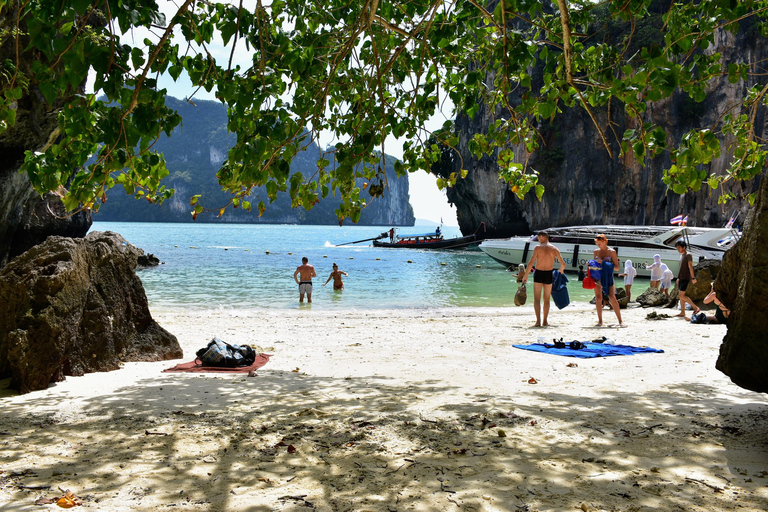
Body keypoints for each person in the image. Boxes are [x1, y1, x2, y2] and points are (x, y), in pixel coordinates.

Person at [521, 231, 566, 327]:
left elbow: (531, 262)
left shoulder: (538, 248)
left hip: (539, 273)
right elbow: (563, 264)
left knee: (537, 299)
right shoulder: (554, 249)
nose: (538, 239)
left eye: (538, 237)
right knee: (547, 299)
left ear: (542, 237)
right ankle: (545, 321)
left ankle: (538, 322)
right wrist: (560, 271)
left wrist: (526, 275)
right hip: (549, 274)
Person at [592, 234, 625, 327]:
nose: (598, 245)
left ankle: (620, 321)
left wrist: (603, 263)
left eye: (600, 243)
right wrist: (590, 265)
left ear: (605, 241)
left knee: (612, 297)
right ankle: (600, 321)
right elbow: (594, 264)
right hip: (597, 275)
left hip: (608, 276)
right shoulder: (596, 252)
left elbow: (617, 268)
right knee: (598, 299)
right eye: (597, 243)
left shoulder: (612, 252)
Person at [675, 240, 700, 319]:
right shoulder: (682, 256)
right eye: (677, 248)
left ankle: (696, 307)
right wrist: (678, 278)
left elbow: (690, 266)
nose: (678, 249)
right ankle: (682, 312)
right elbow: (681, 268)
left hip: (686, 278)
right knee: (681, 296)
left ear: (684, 247)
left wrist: (693, 277)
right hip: (681, 278)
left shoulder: (688, 255)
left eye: (679, 248)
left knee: (681, 295)